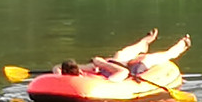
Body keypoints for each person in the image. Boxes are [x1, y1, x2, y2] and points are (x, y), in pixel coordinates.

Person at [55, 29, 191, 80]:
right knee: (148, 58)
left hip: (114, 63)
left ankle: (144, 42)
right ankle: (179, 48)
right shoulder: (94, 86)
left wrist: (58, 73)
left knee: (120, 53)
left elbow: (57, 67)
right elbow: (123, 73)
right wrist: (102, 63)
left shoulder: (76, 75)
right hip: (132, 71)